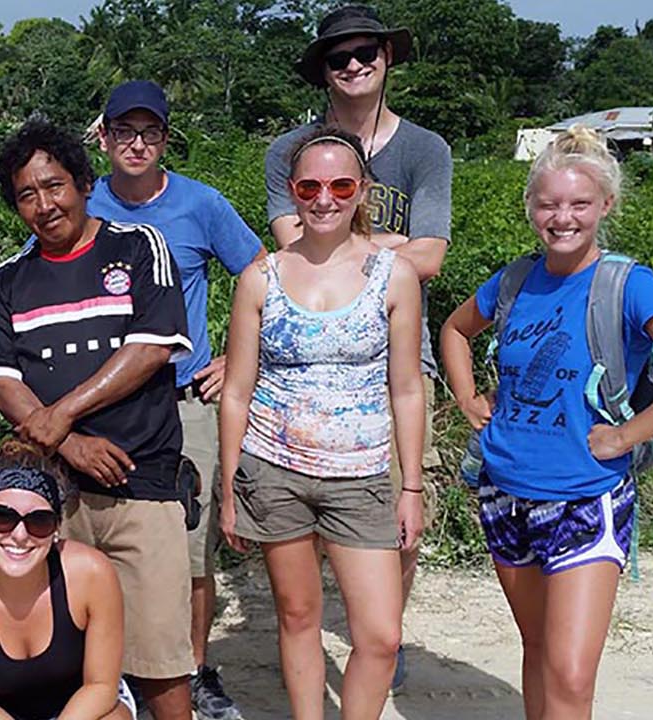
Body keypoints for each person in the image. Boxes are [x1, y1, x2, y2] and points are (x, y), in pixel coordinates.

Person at [438, 127, 653, 720]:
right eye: (548, 204)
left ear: (606, 206)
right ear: (531, 208)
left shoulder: (626, 284)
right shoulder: (515, 279)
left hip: (585, 498)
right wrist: (468, 395)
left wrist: (628, 436)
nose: (562, 217)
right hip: (504, 491)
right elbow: (454, 329)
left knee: (571, 676)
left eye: (578, 204)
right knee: (537, 647)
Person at [0, 118, 196, 720]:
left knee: (160, 665)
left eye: (55, 186)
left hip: (142, 488)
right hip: (51, 502)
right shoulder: (8, 280)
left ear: (82, 182)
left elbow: (151, 347)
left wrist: (63, 415)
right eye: (26, 194)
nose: (45, 205)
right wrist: (67, 442)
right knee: (67, 673)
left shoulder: (137, 246)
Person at [263, 4, 452, 686]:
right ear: (323, 70)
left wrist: (344, 244)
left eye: (365, 51)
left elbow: (429, 257)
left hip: (399, 360)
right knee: (304, 519)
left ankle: (382, 637)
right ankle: (312, 635)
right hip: (303, 365)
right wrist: (381, 248)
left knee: (402, 511)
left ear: (387, 57)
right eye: (338, 57)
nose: (352, 65)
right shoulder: (287, 151)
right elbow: (296, 247)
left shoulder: (425, 150)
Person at [217, 128, 425, 720]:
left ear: (363, 191)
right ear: (293, 191)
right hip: (273, 469)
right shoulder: (262, 276)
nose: (325, 198)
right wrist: (232, 486)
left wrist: (409, 487)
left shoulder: (394, 275)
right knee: (299, 617)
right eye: (310, 185)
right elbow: (236, 390)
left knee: (380, 635)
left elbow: (407, 389)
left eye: (341, 184)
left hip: (361, 477)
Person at [85, 80, 263, 720]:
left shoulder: (201, 205)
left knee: (187, 553)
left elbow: (264, 276)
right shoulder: (83, 202)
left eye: (150, 132)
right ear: (103, 138)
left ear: (164, 139)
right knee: (99, 546)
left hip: (182, 399)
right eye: (124, 132)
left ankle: (191, 671)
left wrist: (238, 359)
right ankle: (112, 677)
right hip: (100, 403)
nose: (137, 144)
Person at [0, 441, 135, 720]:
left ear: (57, 528)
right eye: (2, 517)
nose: (20, 535)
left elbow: (100, 686)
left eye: (39, 522)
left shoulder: (91, 574)